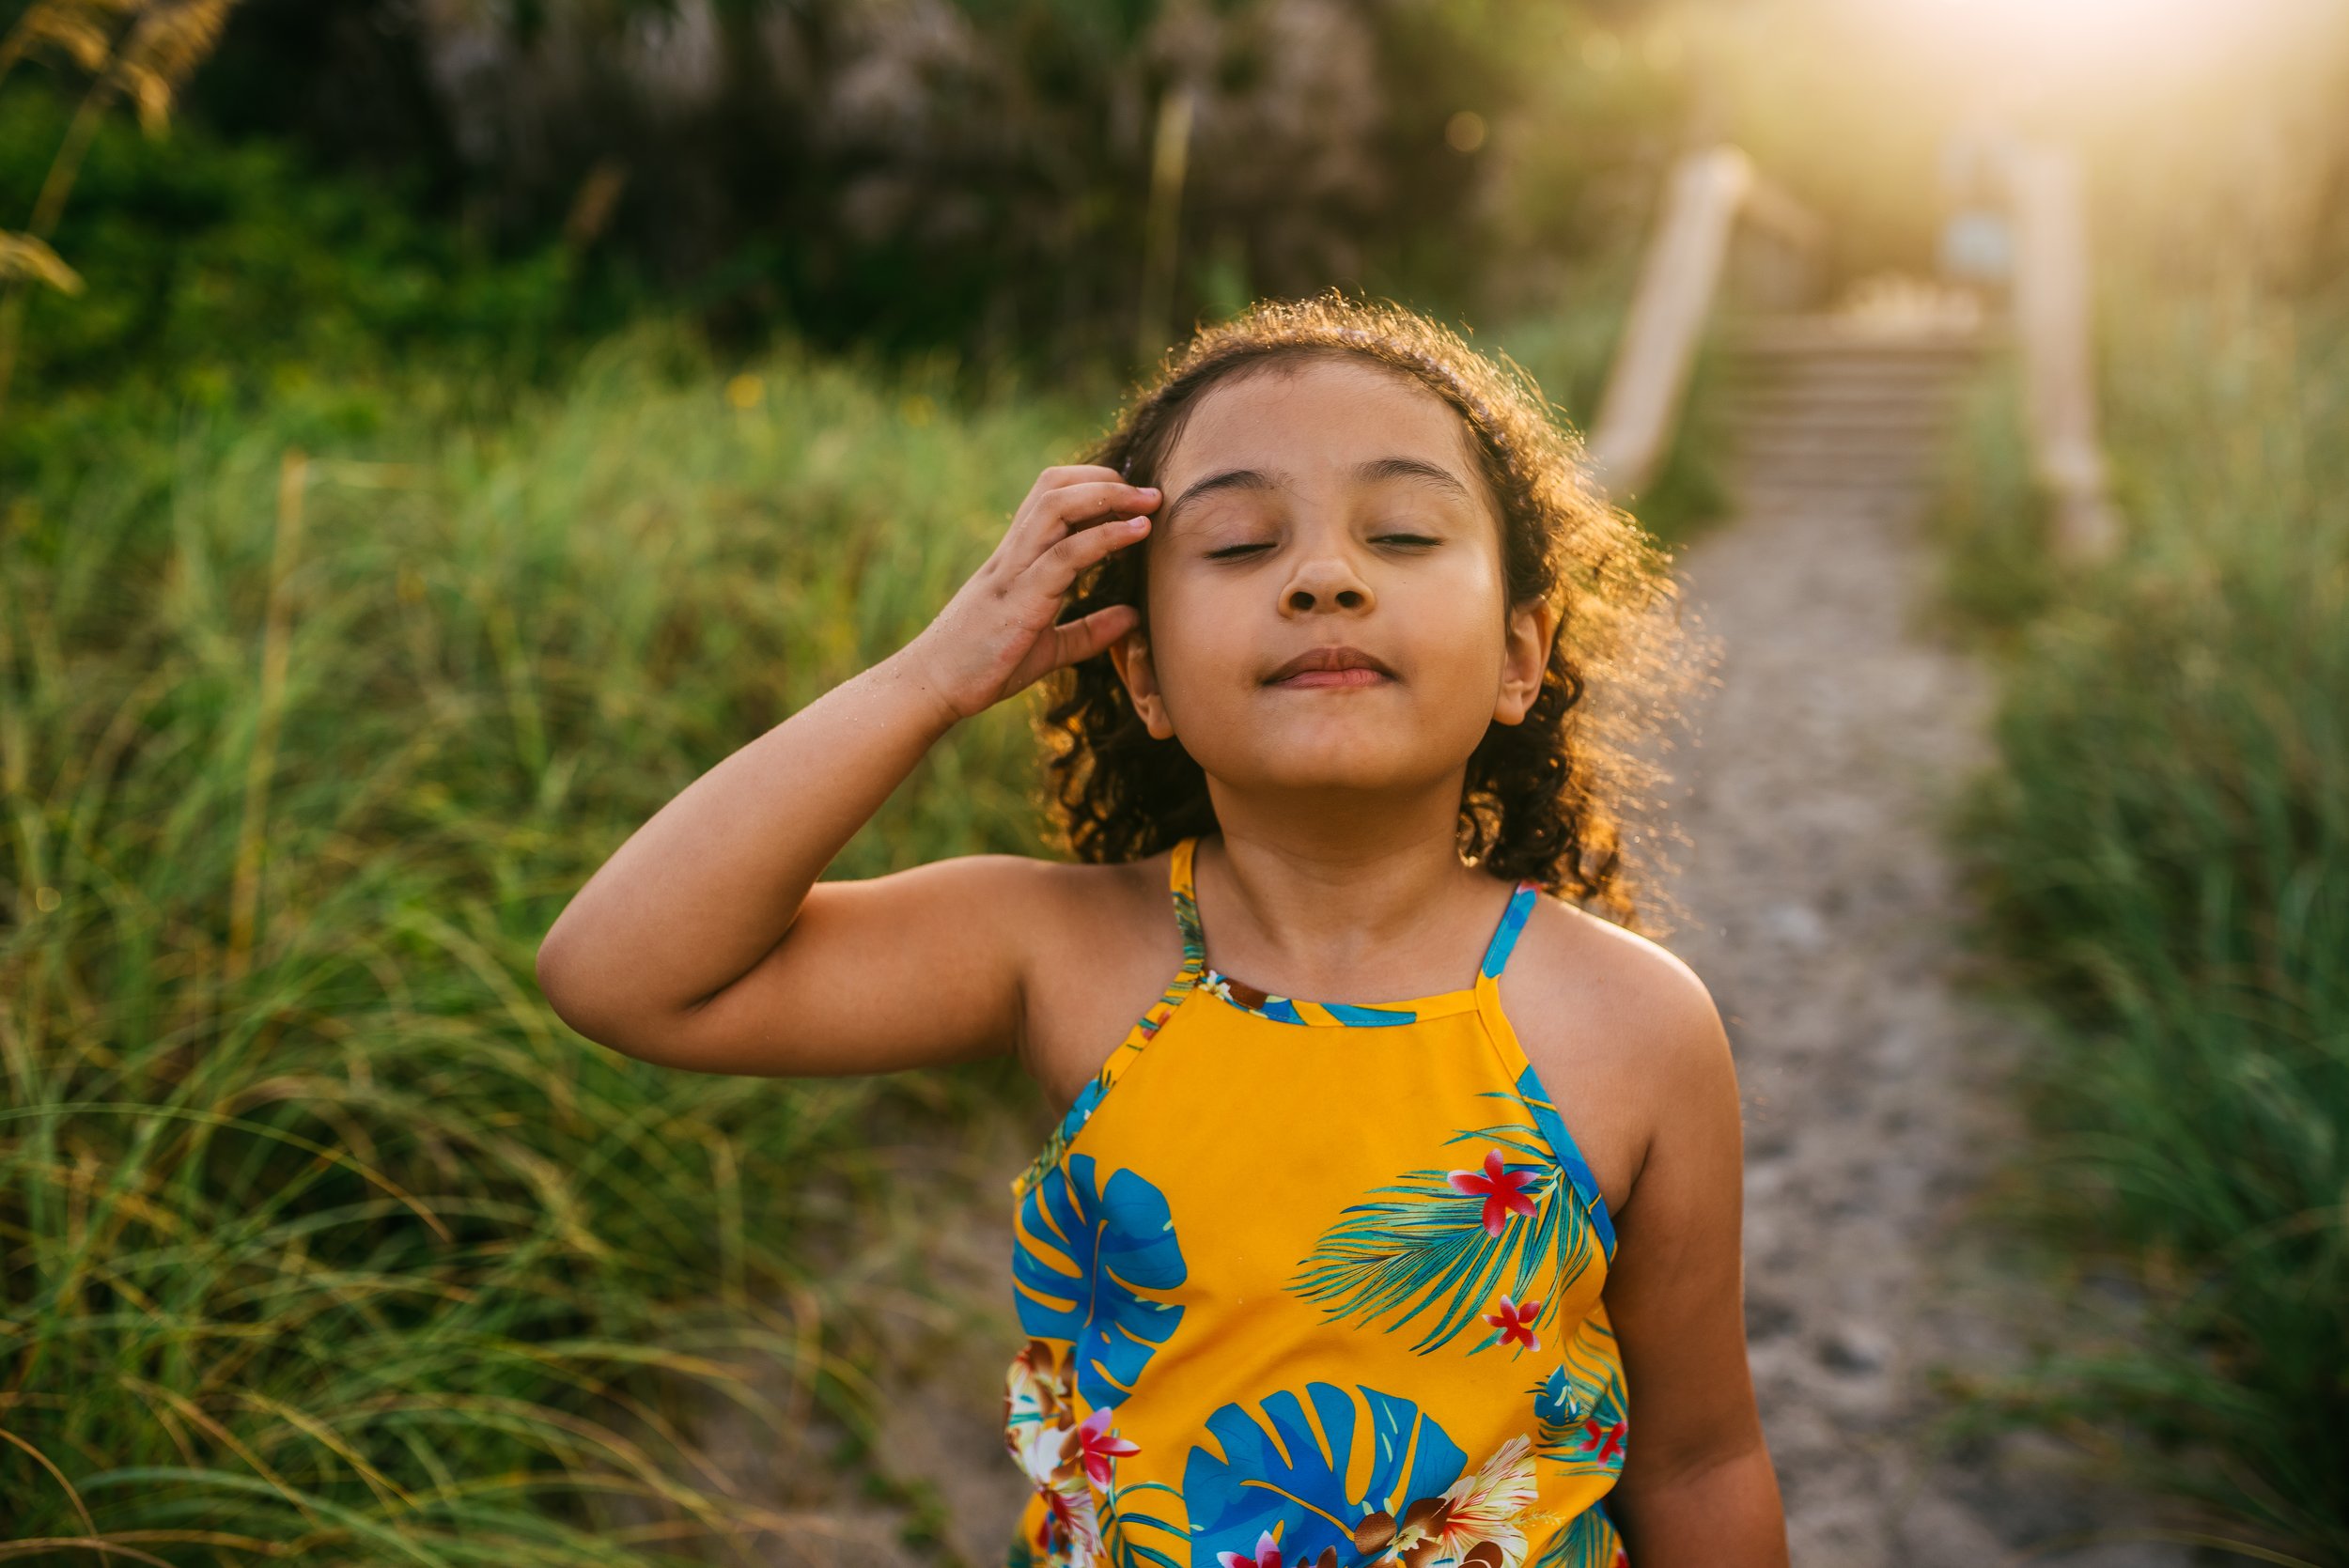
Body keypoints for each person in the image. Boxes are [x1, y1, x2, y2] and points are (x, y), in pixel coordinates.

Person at [536, 291, 1787, 1567]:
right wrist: (931, 678)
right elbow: (621, 973)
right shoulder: (1064, 952)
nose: (1323, 574)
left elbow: (1699, 1459)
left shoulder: (1634, 1022)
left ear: (1522, 651)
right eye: (1240, 544)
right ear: (1144, 678)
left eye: (1402, 531)